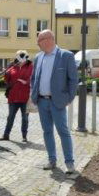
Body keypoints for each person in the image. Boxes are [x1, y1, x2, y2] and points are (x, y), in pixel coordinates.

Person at [31, 29, 79, 176]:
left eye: (39, 40)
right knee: (47, 132)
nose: (38, 43)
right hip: (42, 101)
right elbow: (34, 78)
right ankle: (52, 160)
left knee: (63, 131)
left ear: (49, 39)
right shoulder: (38, 57)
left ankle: (69, 163)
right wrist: (34, 94)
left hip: (57, 102)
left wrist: (69, 98)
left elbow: (73, 79)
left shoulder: (66, 56)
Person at [1, 50, 33, 143]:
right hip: (13, 97)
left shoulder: (30, 66)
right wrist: (6, 74)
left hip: (25, 97)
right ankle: (6, 135)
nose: (23, 60)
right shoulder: (12, 66)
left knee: (25, 118)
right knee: (10, 117)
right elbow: (7, 81)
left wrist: (26, 82)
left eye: (24, 57)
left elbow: (34, 78)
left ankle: (24, 136)